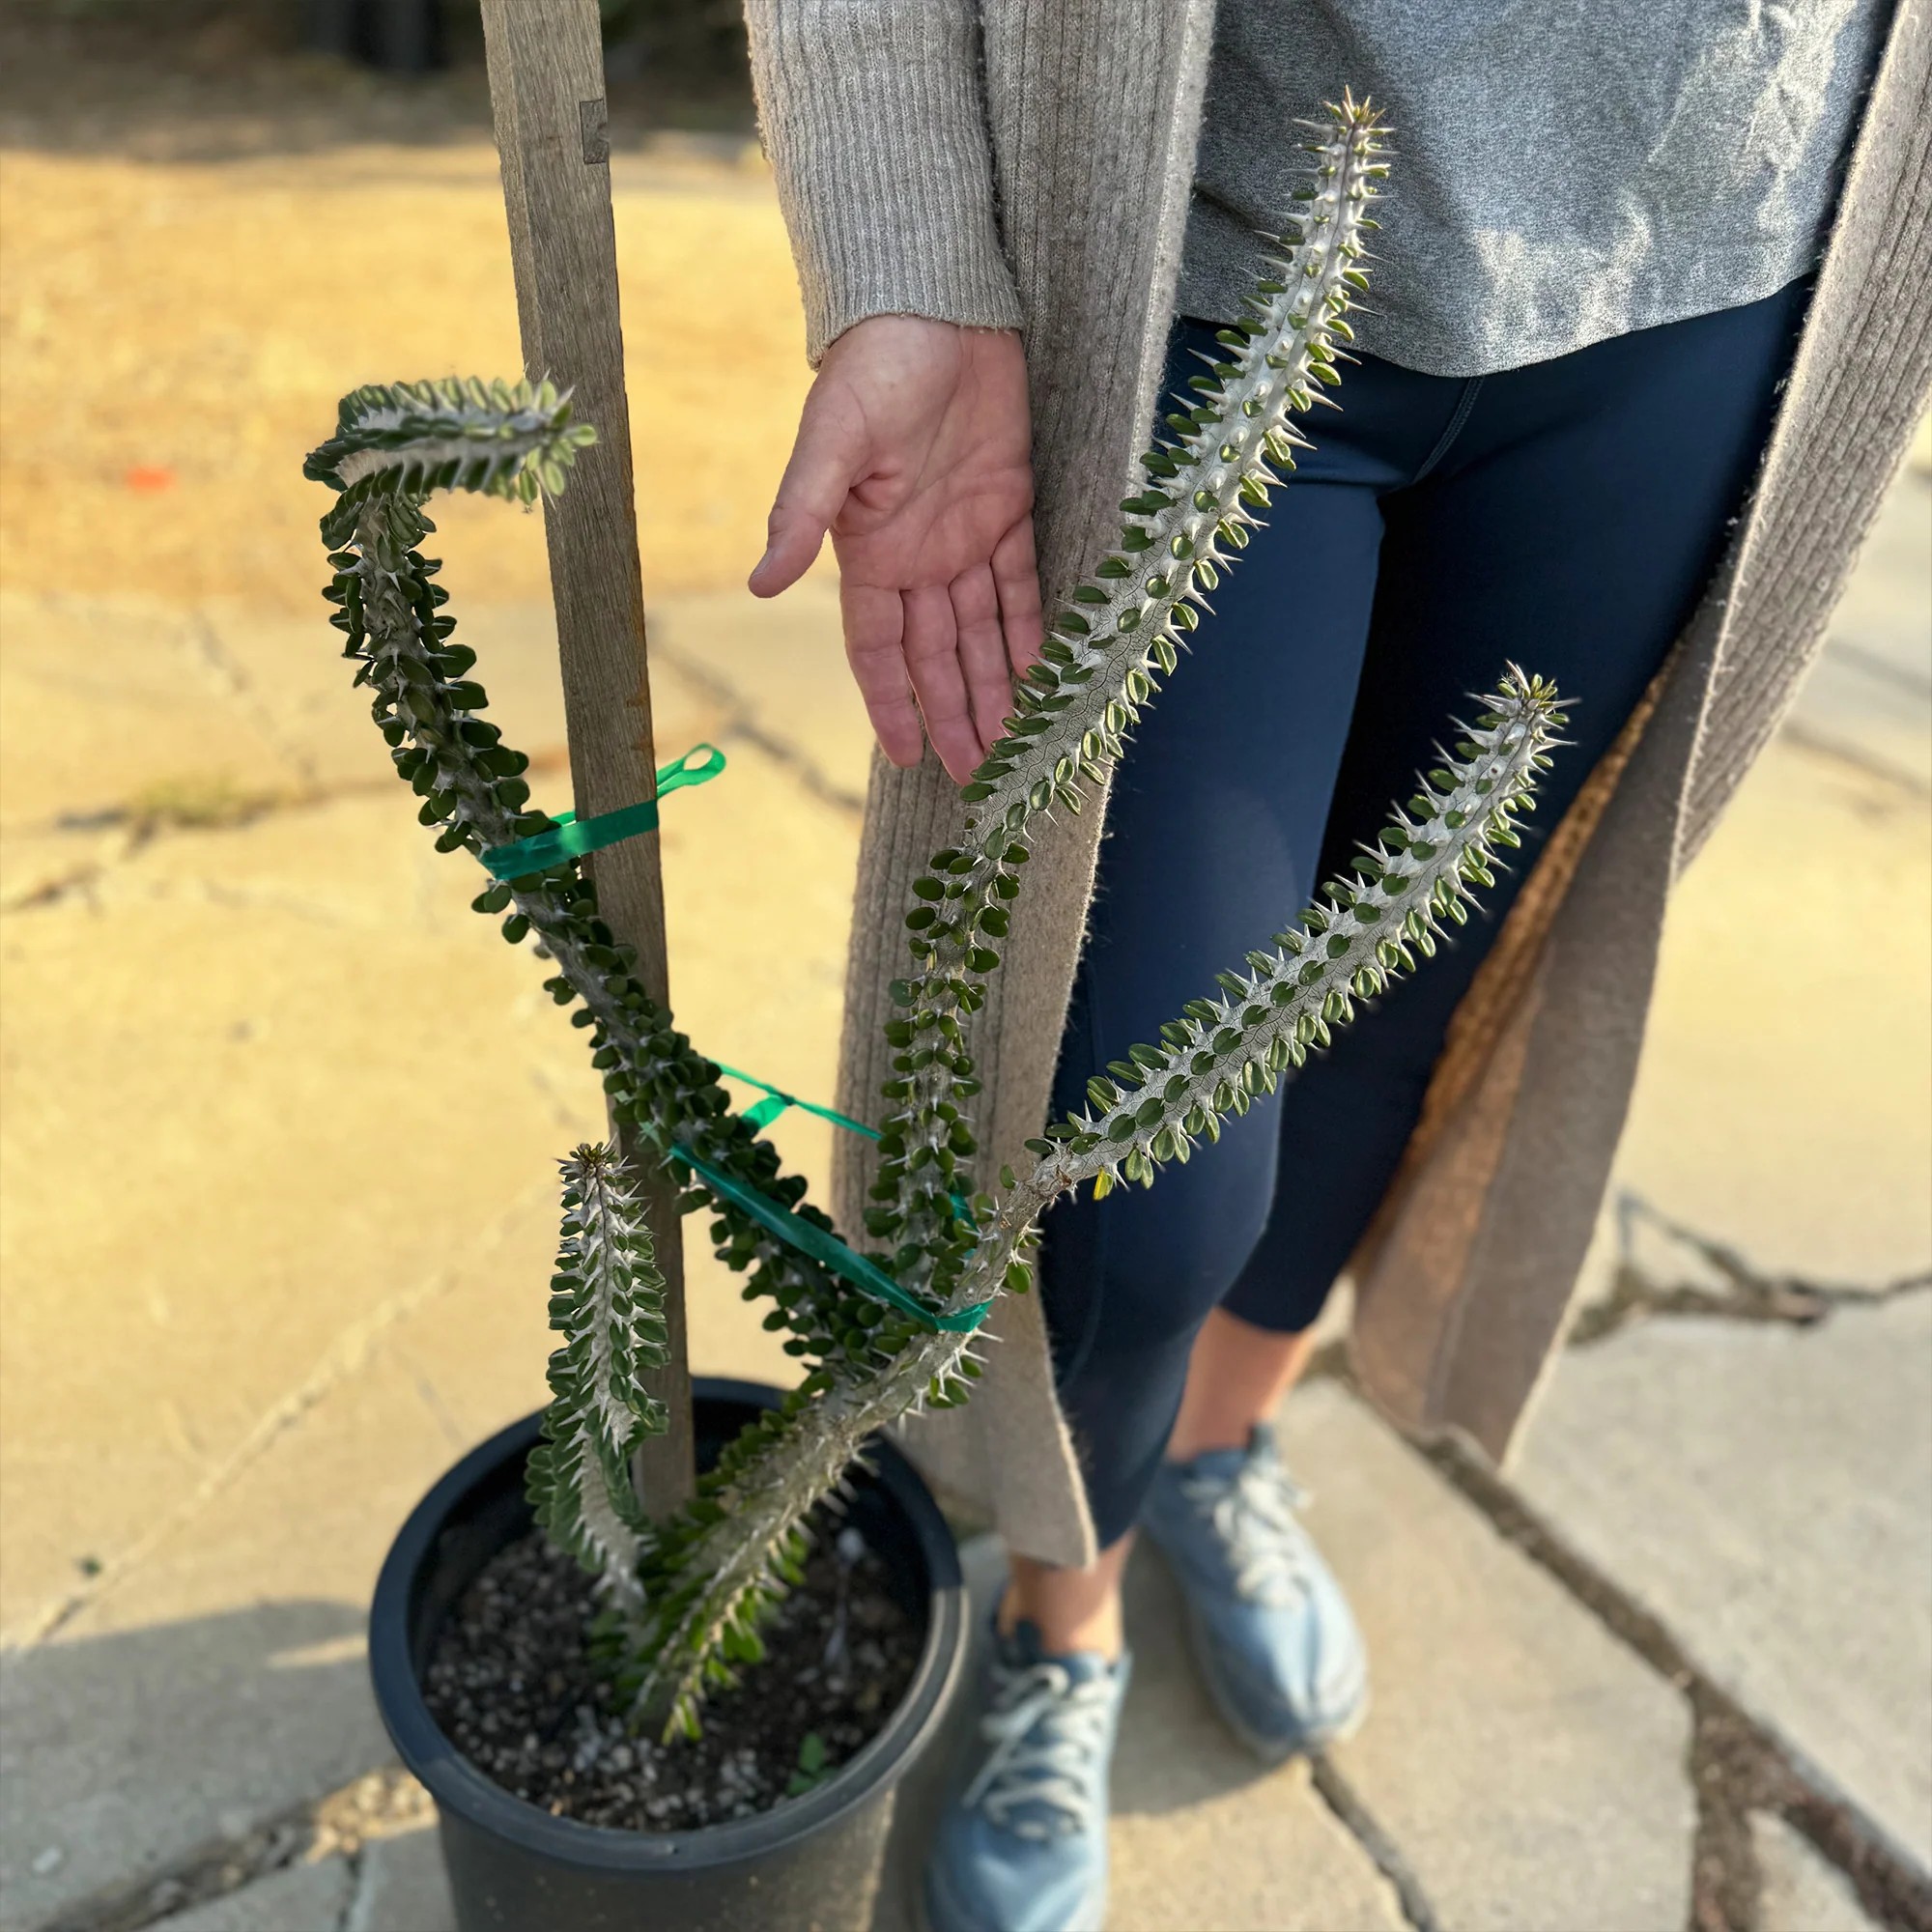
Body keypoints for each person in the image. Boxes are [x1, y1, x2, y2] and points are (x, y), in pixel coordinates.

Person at [740, 4, 1930, 1928]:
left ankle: (1224, 1443)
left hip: (1704, 261)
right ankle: (1068, 1609)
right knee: (1144, 1134)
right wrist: (899, 250)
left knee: (1407, 990)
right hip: (1212, 251)